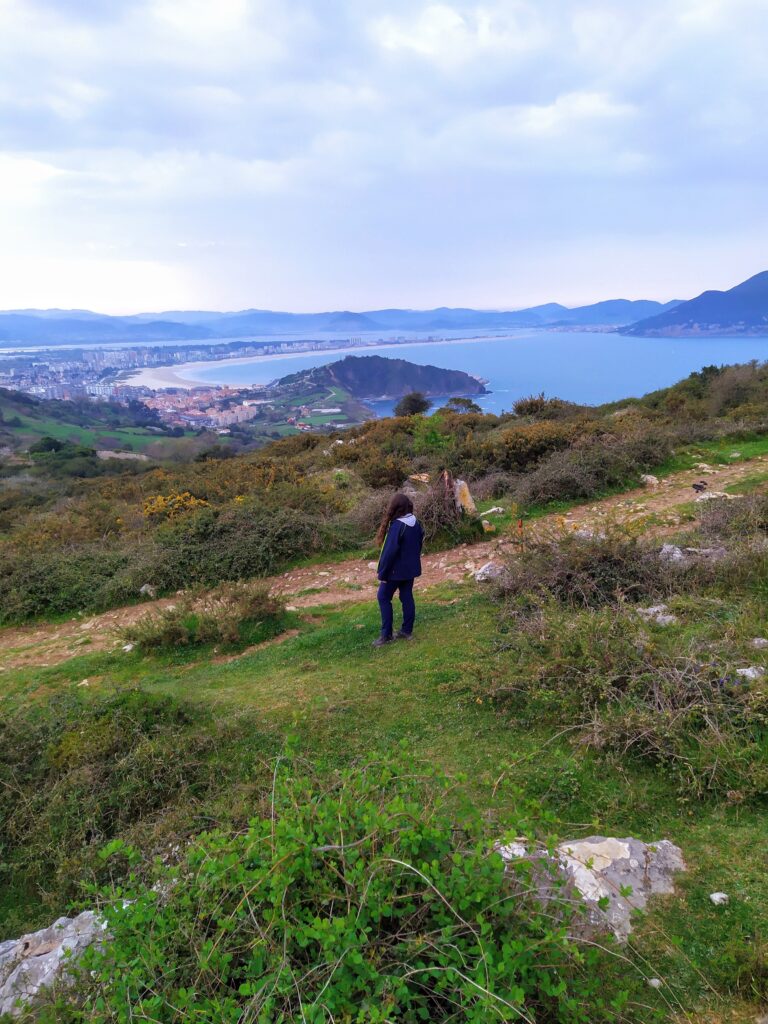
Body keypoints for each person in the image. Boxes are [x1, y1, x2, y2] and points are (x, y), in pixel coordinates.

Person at [373, 492, 424, 647]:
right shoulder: (416, 523)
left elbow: (388, 553)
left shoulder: (397, 526)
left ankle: (386, 635)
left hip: (395, 572)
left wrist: (382, 573)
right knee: (407, 596)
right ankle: (406, 631)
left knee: (383, 596)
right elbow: (418, 544)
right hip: (410, 570)